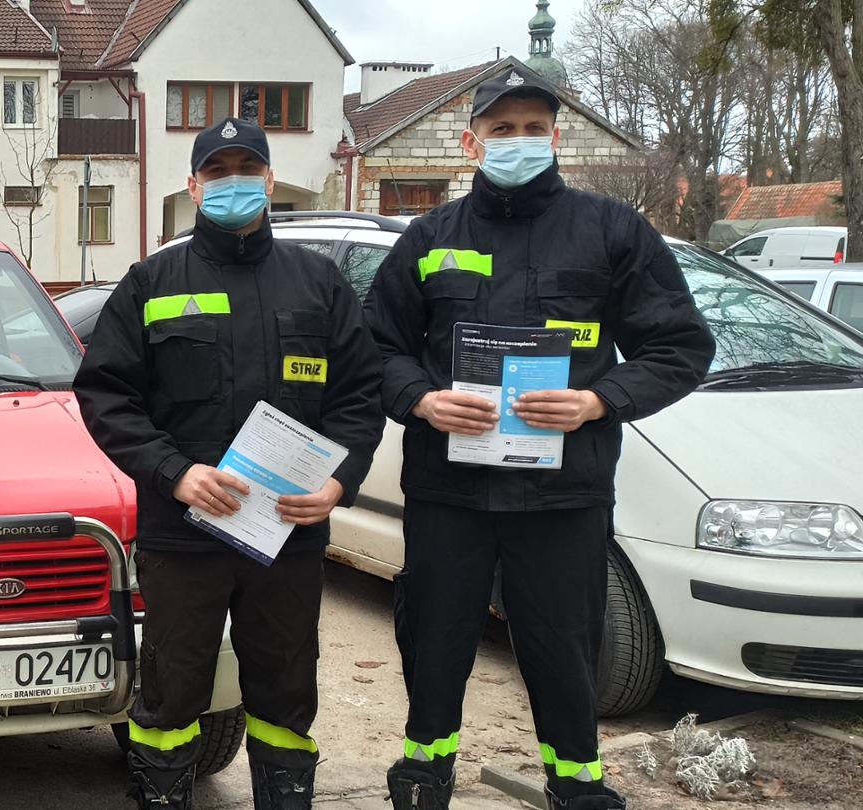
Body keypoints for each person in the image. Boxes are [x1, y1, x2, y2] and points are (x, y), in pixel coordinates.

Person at [363, 70, 714, 810]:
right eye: (501, 129)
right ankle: (425, 771)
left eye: (532, 128)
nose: (517, 141)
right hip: (449, 491)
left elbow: (679, 346)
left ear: (556, 138)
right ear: (471, 143)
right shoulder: (429, 238)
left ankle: (577, 783)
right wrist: (421, 399)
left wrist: (598, 399)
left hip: (562, 493)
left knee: (565, 646)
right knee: (434, 640)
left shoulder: (612, 232)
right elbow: (375, 347)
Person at [76, 118, 385, 810]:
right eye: (218, 171)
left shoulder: (318, 282)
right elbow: (105, 394)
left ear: (271, 181)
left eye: (248, 169)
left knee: (285, 689)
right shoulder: (152, 281)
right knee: (172, 689)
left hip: (286, 534)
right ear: (194, 185)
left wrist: (339, 482)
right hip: (184, 535)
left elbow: (360, 395)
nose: (233, 182)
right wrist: (174, 471)